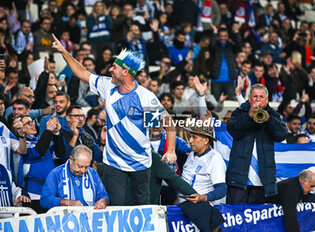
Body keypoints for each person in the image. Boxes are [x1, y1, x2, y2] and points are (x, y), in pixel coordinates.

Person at [52, 35, 177, 205]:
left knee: (142, 209)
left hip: (140, 162)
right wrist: (63, 51)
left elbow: (168, 124)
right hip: (114, 162)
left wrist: (170, 150)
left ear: (126, 72)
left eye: (115, 67)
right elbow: (82, 72)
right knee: (116, 208)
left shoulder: (145, 97)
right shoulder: (107, 86)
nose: (110, 70)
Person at [226, 84, 288, 204]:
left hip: (262, 181)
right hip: (239, 179)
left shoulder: (273, 115)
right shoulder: (239, 112)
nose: (258, 99)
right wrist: (248, 117)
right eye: (255, 96)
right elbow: (233, 130)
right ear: (249, 99)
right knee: (235, 215)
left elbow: (282, 135)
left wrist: (269, 120)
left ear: (266, 100)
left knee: (257, 219)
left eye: (261, 96)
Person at [40, 145, 109, 209]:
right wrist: (68, 203)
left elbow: (103, 195)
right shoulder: (56, 174)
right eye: (80, 166)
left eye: (86, 167)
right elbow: (45, 200)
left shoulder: (92, 173)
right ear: (71, 159)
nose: (83, 170)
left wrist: (103, 201)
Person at [180, 124, 227, 205]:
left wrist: (203, 198)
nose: (190, 141)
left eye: (194, 137)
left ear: (206, 140)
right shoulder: (191, 154)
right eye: (190, 137)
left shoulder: (215, 158)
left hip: (202, 207)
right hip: (183, 206)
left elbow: (221, 190)